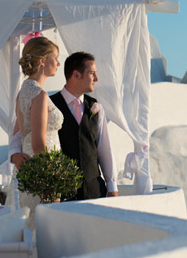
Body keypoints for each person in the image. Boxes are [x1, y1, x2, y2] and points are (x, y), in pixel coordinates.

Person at [50, 52, 118, 199]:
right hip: (63, 193)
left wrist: (112, 186)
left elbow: (105, 148)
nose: (96, 78)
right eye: (92, 73)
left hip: (95, 190)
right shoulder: (49, 105)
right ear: (76, 74)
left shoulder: (96, 106)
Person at [9, 37, 63, 170]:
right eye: (55, 58)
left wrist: (14, 155)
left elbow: (17, 134)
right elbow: (38, 144)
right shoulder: (39, 95)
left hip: (29, 168)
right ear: (42, 61)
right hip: (41, 170)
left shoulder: (23, 92)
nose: (58, 63)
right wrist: (53, 174)